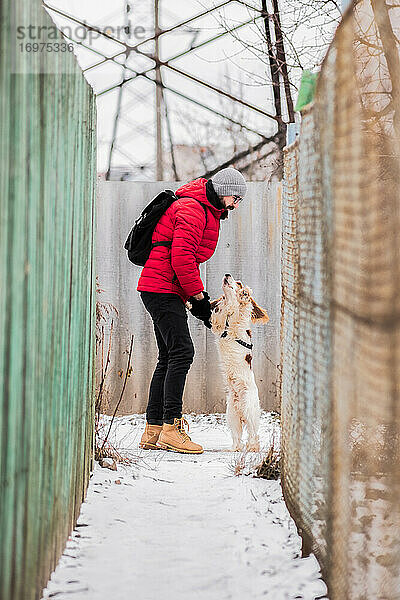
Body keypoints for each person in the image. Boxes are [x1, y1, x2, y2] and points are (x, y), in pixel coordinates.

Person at [137, 167, 247, 454]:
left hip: (163, 288)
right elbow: (182, 259)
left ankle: (154, 430)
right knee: (183, 352)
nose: (236, 205)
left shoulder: (203, 209)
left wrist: (194, 300)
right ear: (224, 191)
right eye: (236, 198)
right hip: (161, 288)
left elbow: (183, 261)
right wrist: (198, 298)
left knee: (169, 356)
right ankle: (173, 427)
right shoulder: (193, 208)